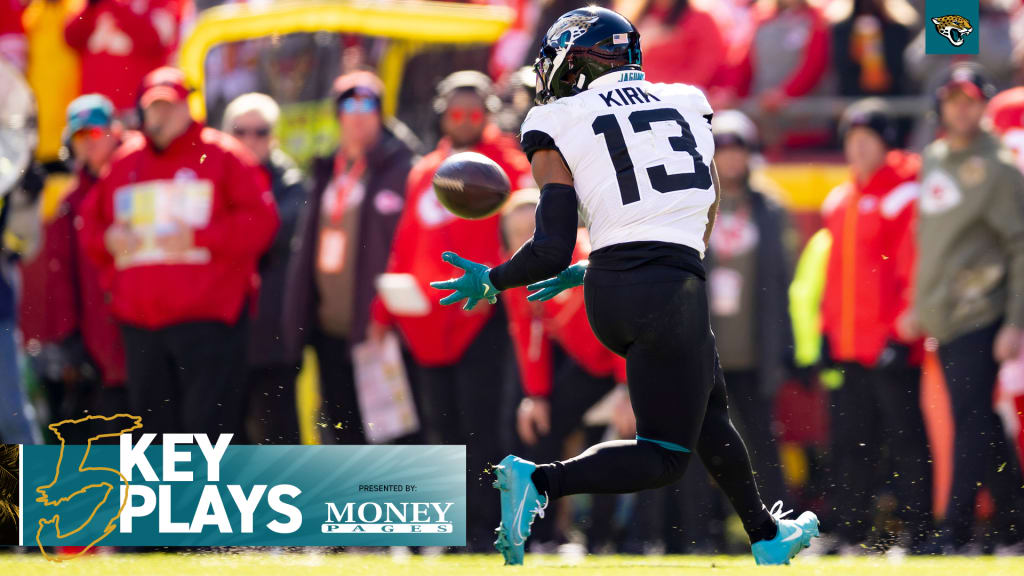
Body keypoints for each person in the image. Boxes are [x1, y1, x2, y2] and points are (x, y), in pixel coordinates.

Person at [428, 7, 818, 566]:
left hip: (615, 288)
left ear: (576, 58)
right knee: (662, 456)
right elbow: (698, 206)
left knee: (709, 409)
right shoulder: (688, 100)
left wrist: (503, 277)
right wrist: (654, 269)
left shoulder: (555, 119)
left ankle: (764, 534)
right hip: (672, 284)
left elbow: (552, 246)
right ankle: (539, 480)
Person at [371, 70, 531, 551]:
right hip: (428, 324)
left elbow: (525, 235)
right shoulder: (426, 170)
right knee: (441, 428)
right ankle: (451, 528)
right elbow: (405, 244)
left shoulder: (508, 164)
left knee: (485, 427)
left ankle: (487, 530)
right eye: (456, 112)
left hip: (485, 317)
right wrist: (384, 312)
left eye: (474, 112)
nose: (464, 121)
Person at [78, 66, 279, 438]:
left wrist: (203, 237)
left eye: (170, 106)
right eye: (153, 107)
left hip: (208, 326)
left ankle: (214, 498)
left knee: (210, 435)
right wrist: (107, 241)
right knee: (155, 438)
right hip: (141, 328)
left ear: (188, 106)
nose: (161, 115)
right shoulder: (125, 163)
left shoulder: (223, 155)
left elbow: (262, 222)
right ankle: (168, 498)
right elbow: (90, 225)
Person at [910, 63, 1024, 553]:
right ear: (941, 105)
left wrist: (1015, 322)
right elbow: (929, 242)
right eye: (953, 98)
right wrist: (917, 303)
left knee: (970, 424)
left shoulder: (1000, 168)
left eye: (971, 99)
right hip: (942, 316)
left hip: (981, 312)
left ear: (984, 105)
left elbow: (1020, 245)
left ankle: (952, 532)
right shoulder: (934, 158)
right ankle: (1016, 524)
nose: (961, 107)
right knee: (983, 424)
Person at [820, 98, 933, 553]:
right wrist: (828, 331)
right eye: (852, 138)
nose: (859, 147)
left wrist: (901, 332)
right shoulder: (842, 199)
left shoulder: (904, 194)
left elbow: (913, 268)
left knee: (906, 442)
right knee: (850, 443)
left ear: (887, 144)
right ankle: (849, 533)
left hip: (890, 343)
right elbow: (834, 277)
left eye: (868, 138)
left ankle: (918, 532)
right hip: (848, 344)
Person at [285, 71, 415, 444]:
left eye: (368, 104)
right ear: (337, 114)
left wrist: (385, 315)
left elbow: (404, 249)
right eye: (349, 104)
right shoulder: (327, 170)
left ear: (381, 112)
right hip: (329, 332)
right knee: (344, 438)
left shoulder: (401, 168)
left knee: (391, 441)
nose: (358, 114)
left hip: (378, 333)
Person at [500, 188, 627, 550]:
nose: (524, 243)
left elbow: (622, 322)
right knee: (542, 426)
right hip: (590, 364)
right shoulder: (515, 274)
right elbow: (529, 338)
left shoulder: (586, 258)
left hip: (630, 358)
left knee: (623, 440)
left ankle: (607, 538)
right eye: (516, 235)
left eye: (532, 231)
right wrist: (535, 396)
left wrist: (627, 390)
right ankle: (542, 536)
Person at [20, 94, 130, 438]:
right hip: (97, 347)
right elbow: (61, 277)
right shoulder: (69, 202)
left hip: (144, 333)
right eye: (79, 138)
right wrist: (68, 338)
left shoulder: (137, 179)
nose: (88, 145)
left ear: (114, 132)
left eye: (94, 134)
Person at [705, 110, 791, 513]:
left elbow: (780, 284)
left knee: (762, 443)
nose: (730, 159)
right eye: (721, 151)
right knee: (709, 444)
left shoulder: (768, 209)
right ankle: (699, 533)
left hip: (755, 351)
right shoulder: (697, 204)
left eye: (737, 150)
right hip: (709, 352)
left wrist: (784, 348)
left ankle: (779, 521)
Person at [221, 92, 307, 445]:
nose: (251, 139)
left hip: (273, 333)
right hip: (225, 332)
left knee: (281, 437)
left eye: (261, 131)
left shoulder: (291, 183)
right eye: (241, 131)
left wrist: (218, 233)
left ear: (274, 136)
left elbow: (267, 233)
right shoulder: (212, 175)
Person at [64, 0, 182, 115]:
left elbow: (153, 40)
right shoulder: (96, 5)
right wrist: (90, 7)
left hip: (135, 110)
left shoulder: (163, 3)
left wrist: (116, 6)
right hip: (93, 110)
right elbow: (71, 37)